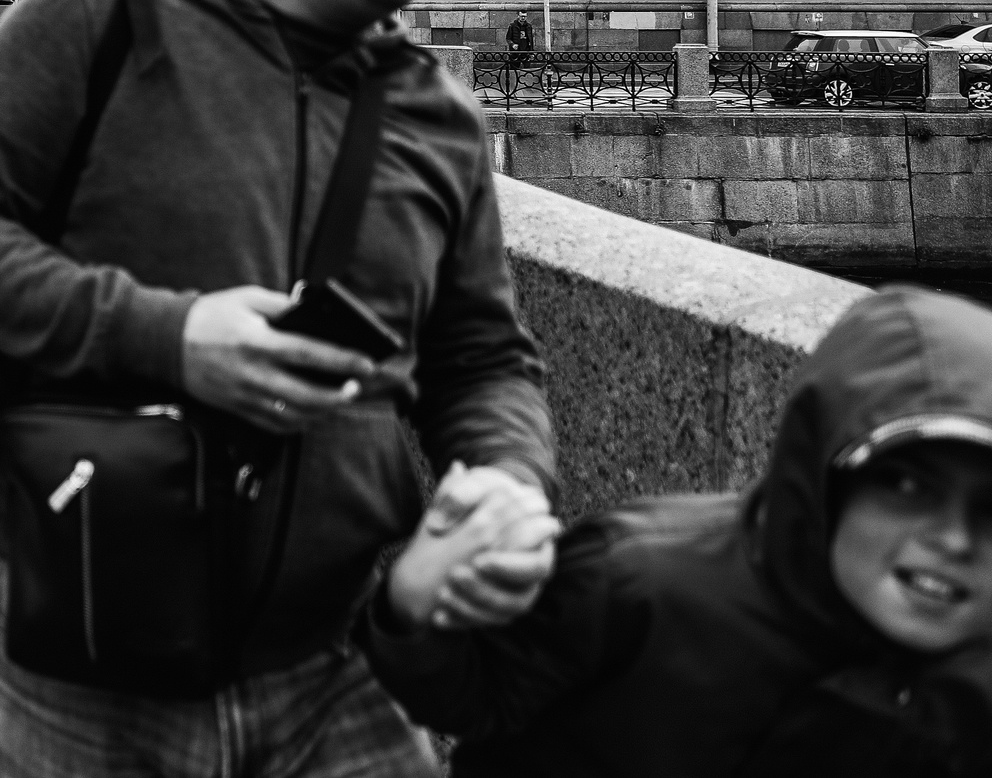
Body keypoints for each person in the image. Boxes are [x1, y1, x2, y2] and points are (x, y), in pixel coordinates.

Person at [0, 0, 556, 778]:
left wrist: (506, 478)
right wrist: (172, 336)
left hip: (339, 663)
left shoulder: (434, 116)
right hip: (92, 666)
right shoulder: (102, 15)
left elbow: (480, 357)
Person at [363, 285, 992, 777]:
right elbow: (474, 695)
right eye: (907, 486)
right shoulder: (642, 578)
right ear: (820, 479)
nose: (956, 539)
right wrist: (413, 604)